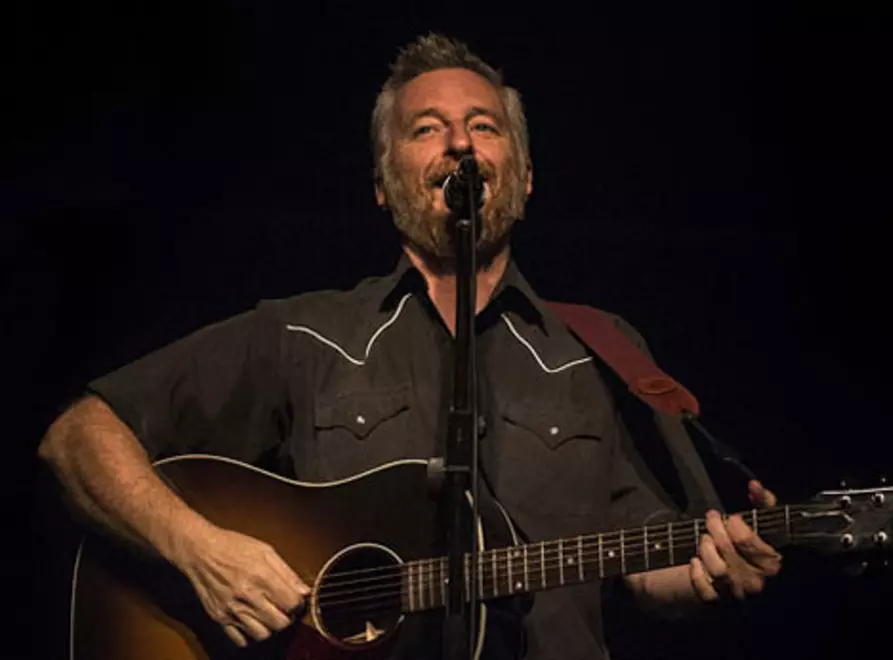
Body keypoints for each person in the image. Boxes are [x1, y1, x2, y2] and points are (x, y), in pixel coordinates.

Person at [38, 33, 782, 660]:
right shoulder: (304, 333)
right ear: (383, 185)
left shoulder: (597, 347)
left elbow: (643, 561)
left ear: (523, 179)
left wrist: (710, 572)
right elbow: (78, 439)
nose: (460, 140)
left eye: (484, 127)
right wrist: (200, 551)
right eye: (427, 127)